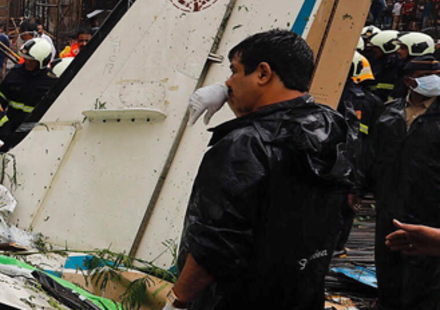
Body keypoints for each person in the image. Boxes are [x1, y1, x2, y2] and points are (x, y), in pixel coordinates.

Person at [166, 30, 353, 310]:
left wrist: (176, 301)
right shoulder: (332, 126)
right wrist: (238, 98)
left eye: (234, 72)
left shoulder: (244, 145)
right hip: (301, 296)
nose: (228, 83)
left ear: (263, 73)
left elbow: (215, 246)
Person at [361, 55, 440, 309]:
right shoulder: (389, 112)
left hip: (431, 207)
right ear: (408, 81)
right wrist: (357, 188)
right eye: (426, 78)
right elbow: (371, 155)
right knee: (388, 264)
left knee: (426, 275)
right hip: (389, 204)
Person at [0, 38, 57, 136]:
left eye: (32, 60)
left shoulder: (51, 81)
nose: (27, 63)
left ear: (44, 61)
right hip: (11, 128)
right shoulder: (15, 73)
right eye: (26, 59)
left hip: (38, 131)